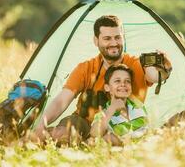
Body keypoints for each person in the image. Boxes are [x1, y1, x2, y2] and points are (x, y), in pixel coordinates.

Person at [30, 15, 172, 144]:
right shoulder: (86, 68)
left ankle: (89, 145)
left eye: (118, 37)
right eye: (107, 38)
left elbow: (154, 76)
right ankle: (30, 138)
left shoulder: (137, 64)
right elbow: (62, 100)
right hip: (83, 122)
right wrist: (42, 122)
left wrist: (165, 68)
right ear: (96, 41)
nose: (114, 43)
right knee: (63, 135)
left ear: (123, 38)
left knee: (112, 141)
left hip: (122, 125)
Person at [90, 64, 149, 146]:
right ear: (107, 88)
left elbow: (148, 129)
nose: (123, 84)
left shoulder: (138, 106)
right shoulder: (104, 113)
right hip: (123, 150)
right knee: (109, 138)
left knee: (172, 121)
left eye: (127, 81)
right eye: (117, 81)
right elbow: (94, 134)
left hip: (146, 146)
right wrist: (112, 108)